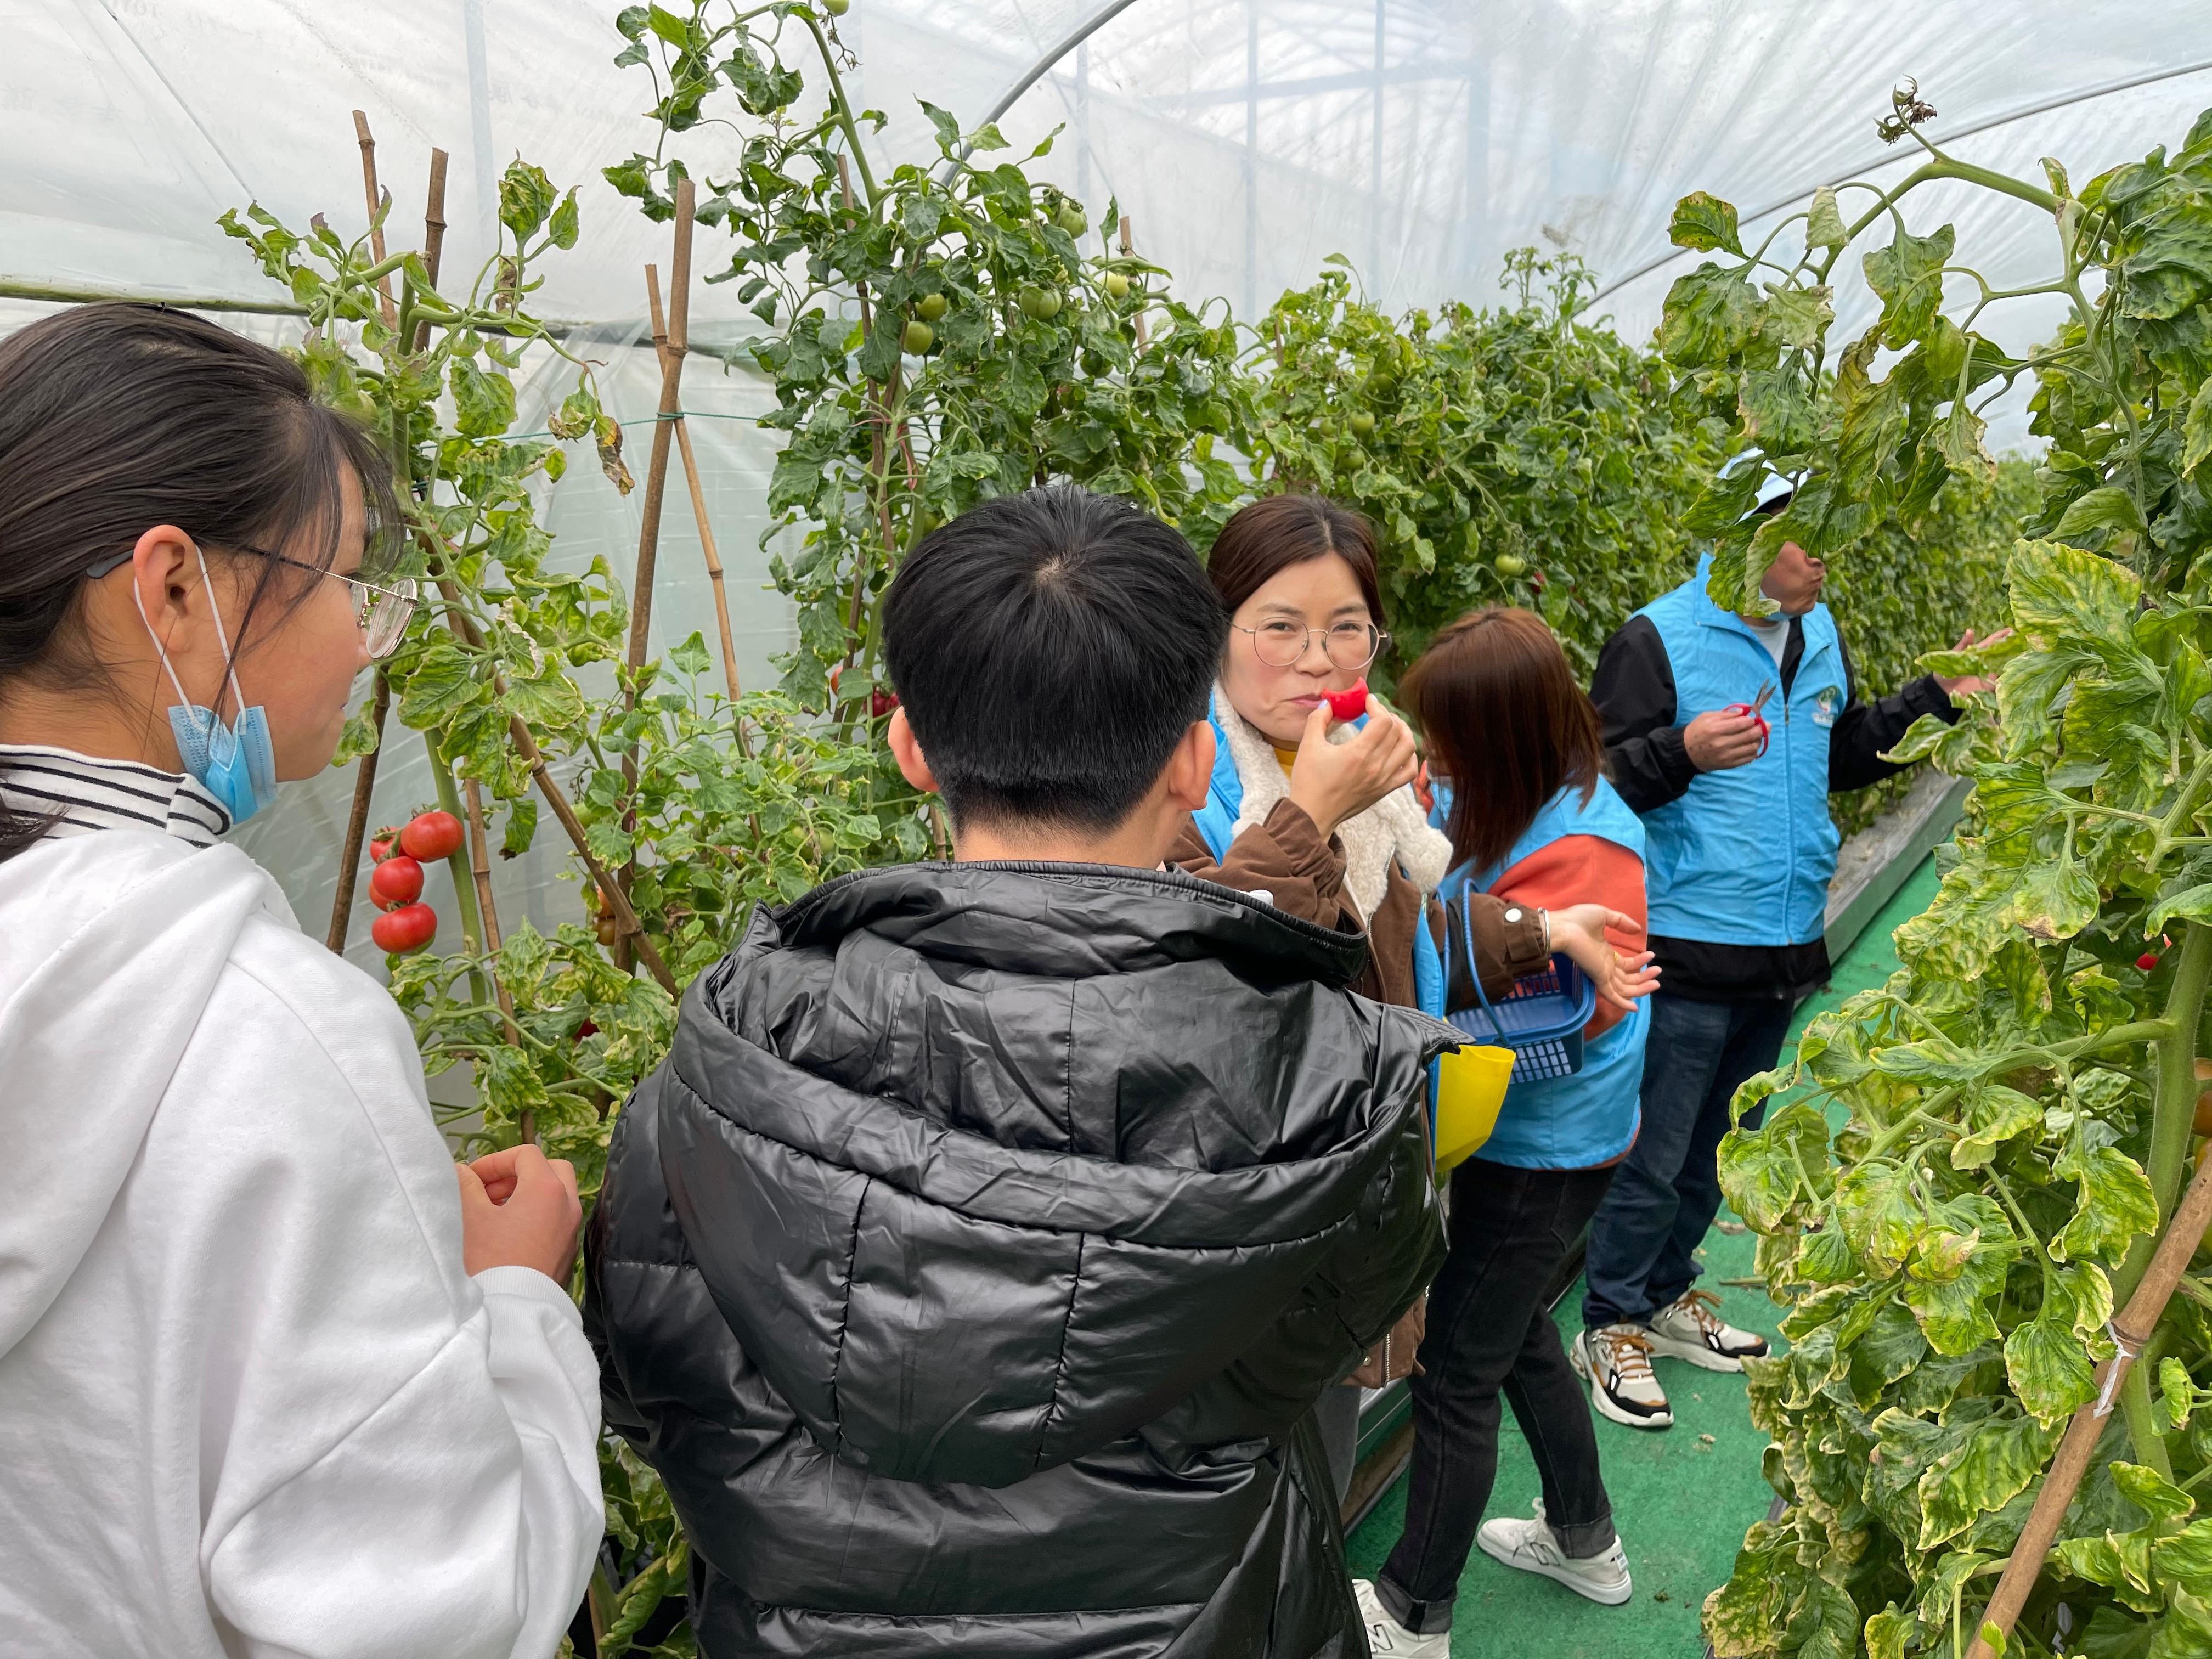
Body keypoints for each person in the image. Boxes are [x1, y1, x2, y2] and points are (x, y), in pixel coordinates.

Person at [585, 485, 1448, 1658]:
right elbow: (1341, 1322)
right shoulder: (1329, 1075)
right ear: (1197, 761)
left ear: (907, 748)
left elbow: (645, 1383)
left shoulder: (720, 1063)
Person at [0, 305, 601, 1657]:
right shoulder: (261, 1036)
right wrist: (514, 1308)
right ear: (172, 593)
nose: (362, 636)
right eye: (339, 581)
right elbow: (438, 1618)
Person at [1165, 495, 1657, 1505]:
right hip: (1239, 1201)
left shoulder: (1372, 774)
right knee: (1228, 1474)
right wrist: (1312, 817)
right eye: (1280, 628)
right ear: (1219, 632)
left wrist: (1539, 933)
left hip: (1359, 1175)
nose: (1318, 659)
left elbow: (1408, 931)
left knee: (1327, 1444)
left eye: (1346, 628)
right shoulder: (1175, 773)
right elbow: (1193, 976)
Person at [1573, 475, 2003, 1429]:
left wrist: (1936, 699)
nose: (1823, 559)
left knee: (1723, 1152)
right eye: (1805, 540)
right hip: (1686, 942)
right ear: (1742, 539)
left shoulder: (1818, 634)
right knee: (1655, 1150)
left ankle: (1666, 1295)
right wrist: (1682, 749)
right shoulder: (1659, 639)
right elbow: (1595, 786)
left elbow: (1840, 756)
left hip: (1784, 942)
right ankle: (1608, 1322)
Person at [1352, 608, 1651, 1658]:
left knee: (1455, 1375)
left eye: (1449, 740)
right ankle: (1586, 1540)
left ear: (1506, 733)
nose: (1434, 758)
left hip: (1543, 1154)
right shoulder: (1516, 798)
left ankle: (1412, 1610)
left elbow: (1574, 1005)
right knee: (1518, 1333)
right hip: (1523, 1142)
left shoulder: (1587, 847)